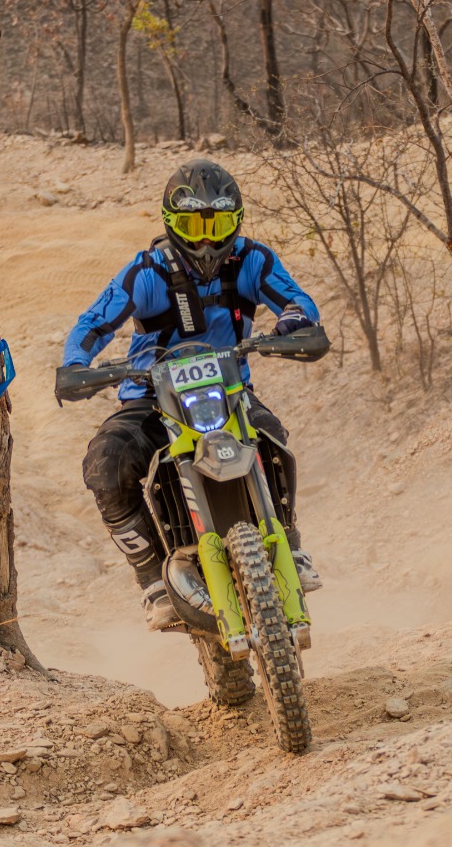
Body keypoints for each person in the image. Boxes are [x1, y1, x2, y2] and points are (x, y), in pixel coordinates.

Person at [60, 159, 322, 630]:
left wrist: (292, 323)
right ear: (170, 222)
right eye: (193, 225)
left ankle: (291, 545)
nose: (205, 239)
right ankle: (153, 582)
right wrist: (77, 364)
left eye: (217, 223)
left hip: (230, 390)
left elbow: (298, 300)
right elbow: (91, 323)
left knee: (273, 438)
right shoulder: (148, 271)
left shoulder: (252, 260)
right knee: (105, 464)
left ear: (235, 222)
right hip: (150, 396)